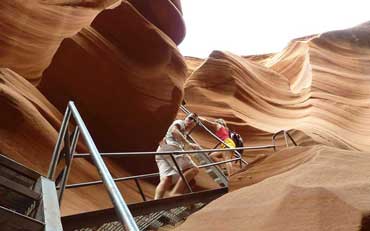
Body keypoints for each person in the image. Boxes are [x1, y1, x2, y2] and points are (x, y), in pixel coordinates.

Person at [154, 113, 201, 199]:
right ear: (185, 118)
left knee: (167, 179)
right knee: (194, 169)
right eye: (190, 118)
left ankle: (155, 203)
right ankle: (176, 192)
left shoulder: (184, 134)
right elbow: (174, 131)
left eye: (195, 121)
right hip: (170, 148)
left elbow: (179, 140)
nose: (192, 121)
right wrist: (188, 144)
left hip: (162, 151)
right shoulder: (180, 122)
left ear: (195, 125)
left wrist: (191, 146)